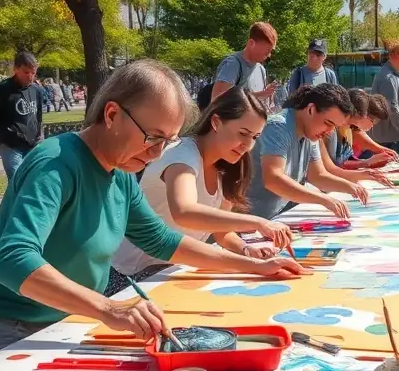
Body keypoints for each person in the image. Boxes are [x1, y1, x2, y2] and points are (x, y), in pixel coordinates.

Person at [0, 60, 306, 353]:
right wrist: (108, 308)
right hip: (17, 330)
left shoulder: (120, 172)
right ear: (112, 114)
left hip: (71, 321)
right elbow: (13, 260)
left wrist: (254, 265)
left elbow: (163, 241)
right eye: (152, 137)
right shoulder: (56, 162)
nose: (156, 154)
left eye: (166, 141)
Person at [111, 88, 300, 284]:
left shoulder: (228, 165)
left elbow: (220, 231)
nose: (247, 145)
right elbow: (184, 211)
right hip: (135, 274)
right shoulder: (182, 155)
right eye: (243, 133)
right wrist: (259, 223)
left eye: (254, 137)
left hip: (178, 268)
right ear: (216, 122)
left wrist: (246, 250)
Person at [246, 82, 358, 221]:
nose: (329, 132)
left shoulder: (310, 133)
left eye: (334, 127)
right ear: (310, 109)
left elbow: (318, 175)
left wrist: (352, 187)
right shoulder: (278, 127)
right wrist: (323, 199)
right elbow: (273, 179)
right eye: (328, 123)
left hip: (277, 219)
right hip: (250, 222)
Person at [0, 51, 44, 182]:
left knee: (34, 181)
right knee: (17, 182)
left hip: (33, 145)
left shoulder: (36, 90)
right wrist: (4, 136)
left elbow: (38, 116)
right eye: (26, 72)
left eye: (33, 72)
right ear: (16, 69)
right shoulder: (1, 90)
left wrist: (39, 136)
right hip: (11, 147)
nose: (30, 76)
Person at [209, 22, 280, 106]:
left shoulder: (261, 69)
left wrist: (266, 94)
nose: (269, 55)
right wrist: (259, 95)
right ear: (251, 43)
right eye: (267, 50)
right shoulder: (233, 64)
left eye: (271, 51)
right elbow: (218, 100)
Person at [368, 43, 399, 159]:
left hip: (392, 137)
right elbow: (392, 108)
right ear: (396, 56)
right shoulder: (388, 78)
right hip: (389, 140)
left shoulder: (393, 76)